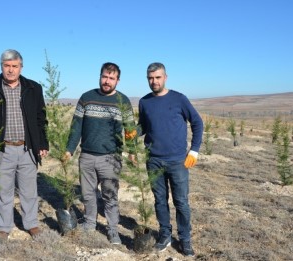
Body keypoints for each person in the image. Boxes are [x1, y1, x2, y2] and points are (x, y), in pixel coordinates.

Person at [0, 49, 49, 242]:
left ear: (21, 67)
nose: (11, 70)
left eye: (15, 66)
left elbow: (41, 118)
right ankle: (4, 227)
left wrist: (43, 143)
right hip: (1, 148)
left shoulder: (33, 88)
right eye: (7, 66)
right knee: (3, 190)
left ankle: (31, 224)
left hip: (27, 148)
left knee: (29, 190)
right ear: (1, 66)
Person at [64, 62, 135, 245]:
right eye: (105, 76)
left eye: (112, 78)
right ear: (100, 76)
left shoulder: (123, 102)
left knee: (110, 196)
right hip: (87, 155)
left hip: (111, 158)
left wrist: (133, 151)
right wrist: (69, 149)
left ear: (117, 81)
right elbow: (76, 125)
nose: (107, 81)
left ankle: (112, 231)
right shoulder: (87, 98)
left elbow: (130, 129)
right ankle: (89, 224)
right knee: (88, 194)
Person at [138, 62, 203, 256]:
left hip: (177, 161)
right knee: (159, 200)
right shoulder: (144, 102)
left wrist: (194, 150)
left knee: (181, 202)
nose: (154, 81)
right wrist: (134, 132)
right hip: (153, 160)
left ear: (165, 77)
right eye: (150, 78)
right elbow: (144, 126)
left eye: (157, 77)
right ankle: (165, 235)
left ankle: (185, 240)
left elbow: (197, 122)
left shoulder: (179, 99)